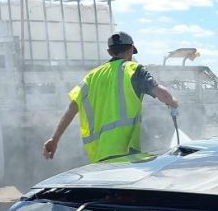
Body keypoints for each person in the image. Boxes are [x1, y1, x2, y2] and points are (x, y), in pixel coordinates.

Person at [43, 31, 178, 162]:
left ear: (109, 52)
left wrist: (54, 139)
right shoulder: (133, 69)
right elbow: (163, 95)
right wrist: (173, 102)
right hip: (126, 153)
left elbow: (72, 108)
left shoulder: (92, 76)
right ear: (131, 50)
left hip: (99, 156)